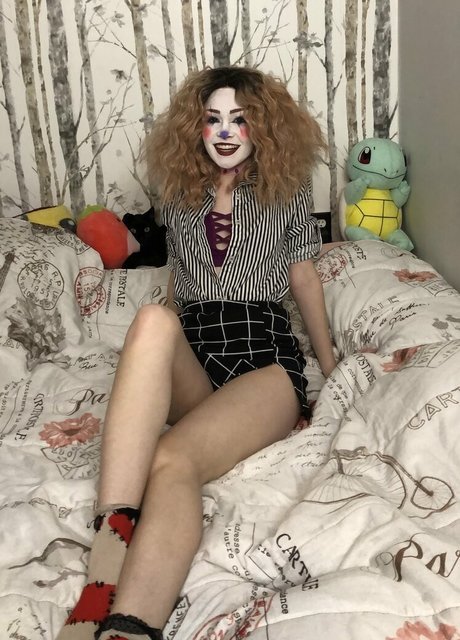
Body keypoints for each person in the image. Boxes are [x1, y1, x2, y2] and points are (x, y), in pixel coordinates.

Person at [57, 65, 336, 640]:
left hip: (262, 359)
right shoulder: (180, 194)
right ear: (197, 127)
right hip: (199, 352)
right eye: (213, 119)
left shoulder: (286, 188)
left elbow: (303, 275)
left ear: (262, 127)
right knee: (153, 319)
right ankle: (109, 550)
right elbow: (176, 283)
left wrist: (330, 370)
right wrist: (158, 352)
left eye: (240, 119)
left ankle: (127, 625)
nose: (226, 131)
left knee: (170, 459)